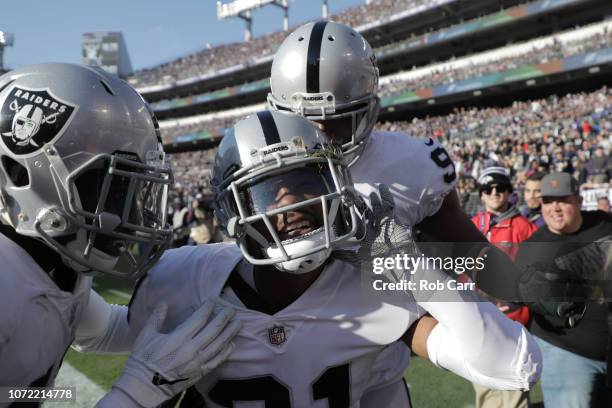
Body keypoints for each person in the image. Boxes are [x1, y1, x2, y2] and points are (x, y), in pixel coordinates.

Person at [122, 111, 541, 407]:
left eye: (306, 181)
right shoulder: (182, 280)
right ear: (233, 209)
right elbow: (109, 340)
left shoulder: (373, 289)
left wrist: (413, 267)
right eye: (268, 190)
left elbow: (514, 365)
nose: (292, 205)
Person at [0, 63, 241, 408]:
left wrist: (215, 283)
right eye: (114, 188)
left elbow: (105, 330)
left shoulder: (55, 262)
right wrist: (140, 390)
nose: (133, 215)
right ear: (27, 174)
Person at [266, 20, 543, 308]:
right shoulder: (258, 169)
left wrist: (522, 287)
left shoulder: (413, 163)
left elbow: (469, 250)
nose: (321, 134)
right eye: (304, 121)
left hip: (386, 341)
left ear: (367, 110)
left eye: (336, 118)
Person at [516, 172, 612, 408]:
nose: (555, 208)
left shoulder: (603, 223)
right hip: (567, 354)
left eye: (563, 200)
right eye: (548, 201)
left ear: (579, 201)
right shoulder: (533, 250)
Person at [470, 166, 537, 408]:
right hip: (478, 319)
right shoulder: (470, 224)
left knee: (513, 390)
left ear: (509, 192)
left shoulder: (524, 227)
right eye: (488, 188)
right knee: (484, 388)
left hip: (513, 319)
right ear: (481, 194)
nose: (495, 193)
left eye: (501, 188)